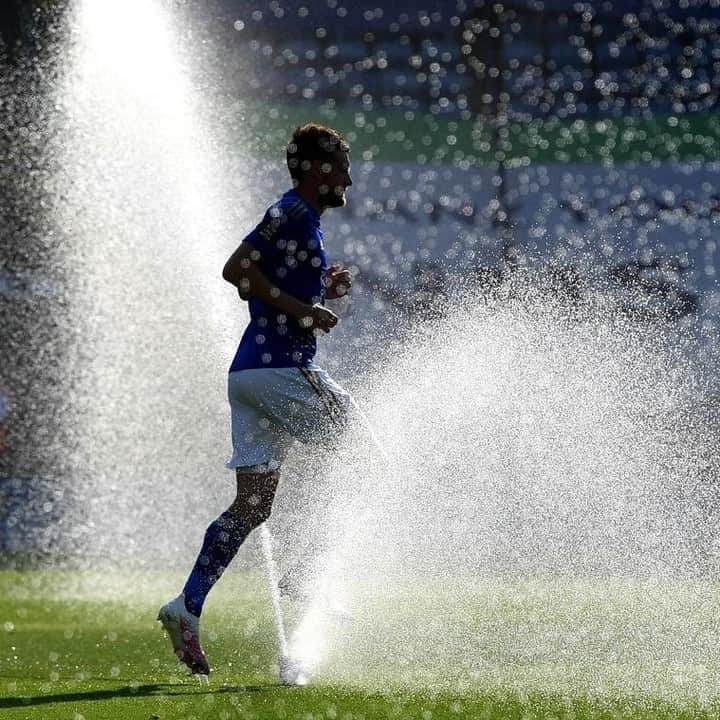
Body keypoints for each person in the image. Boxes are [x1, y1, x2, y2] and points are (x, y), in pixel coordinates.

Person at [158, 123, 355, 676]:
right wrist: (304, 311)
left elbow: (264, 283)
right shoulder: (291, 210)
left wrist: (319, 292)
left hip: (248, 376)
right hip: (280, 369)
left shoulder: (302, 220)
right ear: (318, 171)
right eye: (340, 164)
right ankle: (304, 570)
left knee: (252, 506)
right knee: (365, 458)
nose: (347, 176)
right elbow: (235, 270)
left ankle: (187, 605)